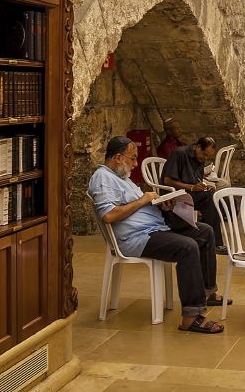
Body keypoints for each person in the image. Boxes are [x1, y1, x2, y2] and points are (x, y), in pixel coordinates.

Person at [88, 136, 225, 332]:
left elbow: (135, 205)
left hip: (155, 227)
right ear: (118, 157)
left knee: (205, 231)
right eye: (132, 158)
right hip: (137, 238)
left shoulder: (122, 178)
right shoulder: (102, 178)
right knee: (187, 247)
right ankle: (191, 317)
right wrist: (143, 200)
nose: (136, 164)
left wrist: (163, 204)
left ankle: (206, 292)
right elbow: (109, 215)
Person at [162, 136, 223, 243]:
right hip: (175, 195)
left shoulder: (199, 157)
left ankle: (208, 236)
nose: (205, 158)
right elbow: (167, 180)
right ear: (198, 147)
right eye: (204, 154)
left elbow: (196, 178)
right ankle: (215, 242)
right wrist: (191, 187)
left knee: (214, 195)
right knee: (209, 198)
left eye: (207, 156)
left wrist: (203, 185)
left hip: (190, 192)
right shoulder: (179, 154)